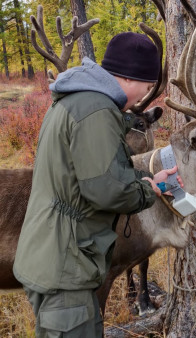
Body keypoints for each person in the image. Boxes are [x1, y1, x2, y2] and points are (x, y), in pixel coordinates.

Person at [13, 32, 180, 337]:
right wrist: (149, 191)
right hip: (65, 265)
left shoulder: (79, 99)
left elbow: (89, 173)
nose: (143, 96)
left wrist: (145, 177)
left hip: (62, 256)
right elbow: (107, 191)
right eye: (145, 87)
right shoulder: (96, 111)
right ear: (130, 78)